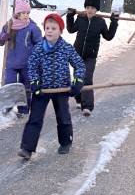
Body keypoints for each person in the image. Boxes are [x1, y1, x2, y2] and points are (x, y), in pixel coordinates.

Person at [18, 14, 85, 160]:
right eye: (47, 28)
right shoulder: (38, 48)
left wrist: (78, 80)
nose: (49, 31)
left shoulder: (66, 48)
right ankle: (27, 148)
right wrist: (34, 82)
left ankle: (66, 142)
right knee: (35, 118)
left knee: (63, 116)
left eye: (53, 28)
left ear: (60, 31)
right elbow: (32, 66)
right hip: (42, 90)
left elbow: (79, 64)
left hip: (61, 89)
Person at [66, 0, 119, 116]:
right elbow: (71, 29)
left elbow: (108, 36)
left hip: (91, 56)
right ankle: (79, 98)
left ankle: (87, 106)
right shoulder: (81, 18)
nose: (90, 10)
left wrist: (114, 22)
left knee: (87, 78)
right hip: (77, 54)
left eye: (93, 8)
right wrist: (70, 16)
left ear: (97, 9)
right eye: (88, 7)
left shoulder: (100, 22)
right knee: (78, 78)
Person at [0, 0, 43, 117]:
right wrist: (3, 36)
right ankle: (8, 106)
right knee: (9, 84)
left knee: (25, 87)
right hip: (11, 63)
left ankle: (24, 109)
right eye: (23, 13)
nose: (26, 15)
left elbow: (39, 44)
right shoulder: (9, 25)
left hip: (27, 64)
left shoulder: (32, 28)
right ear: (17, 13)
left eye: (28, 13)